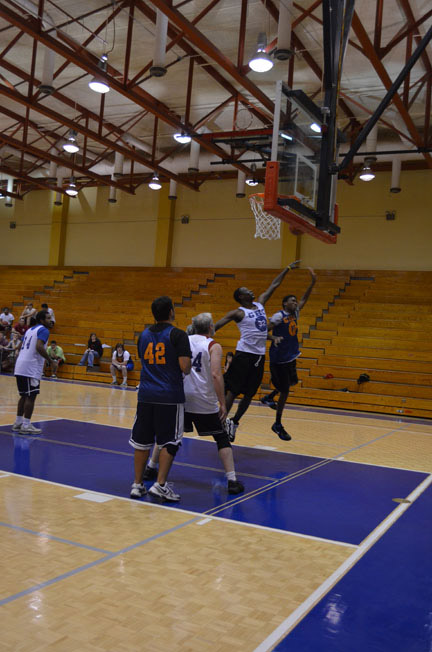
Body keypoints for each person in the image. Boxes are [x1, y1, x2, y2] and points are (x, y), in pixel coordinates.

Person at [214, 261, 300, 441]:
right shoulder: (238, 313)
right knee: (234, 391)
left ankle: (234, 422)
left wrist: (287, 269)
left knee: (250, 394)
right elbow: (218, 325)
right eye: (247, 291)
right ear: (241, 297)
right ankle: (220, 422)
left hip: (259, 356)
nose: (251, 291)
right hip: (244, 354)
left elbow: (274, 285)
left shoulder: (260, 304)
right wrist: (199, 337)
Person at [129, 296, 191, 502]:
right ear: (172, 312)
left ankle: (137, 485)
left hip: (146, 394)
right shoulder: (178, 335)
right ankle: (160, 485)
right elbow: (185, 367)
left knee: (142, 442)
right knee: (171, 442)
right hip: (169, 396)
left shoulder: (143, 335)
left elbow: (143, 360)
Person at [261, 267, 317, 440]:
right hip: (279, 359)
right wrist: (273, 337)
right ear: (285, 304)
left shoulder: (295, 314)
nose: (295, 302)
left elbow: (305, 299)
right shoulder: (278, 316)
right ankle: (277, 424)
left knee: (292, 382)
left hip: (290, 356)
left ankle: (269, 397)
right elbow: (262, 331)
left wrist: (312, 282)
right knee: (285, 391)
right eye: (292, 301)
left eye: (295, 301)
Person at [12, 309, 53, 434]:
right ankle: (26, 425)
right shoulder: (44, 330)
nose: (50, 320)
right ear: (41, 320)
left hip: (20, 365)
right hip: (31, 367)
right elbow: (39, 346)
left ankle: (18, 422)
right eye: (47, 318)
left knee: (24, 395)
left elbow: (20, 345)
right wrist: (50, 360)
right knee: (31, 396)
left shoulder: (30, 329)